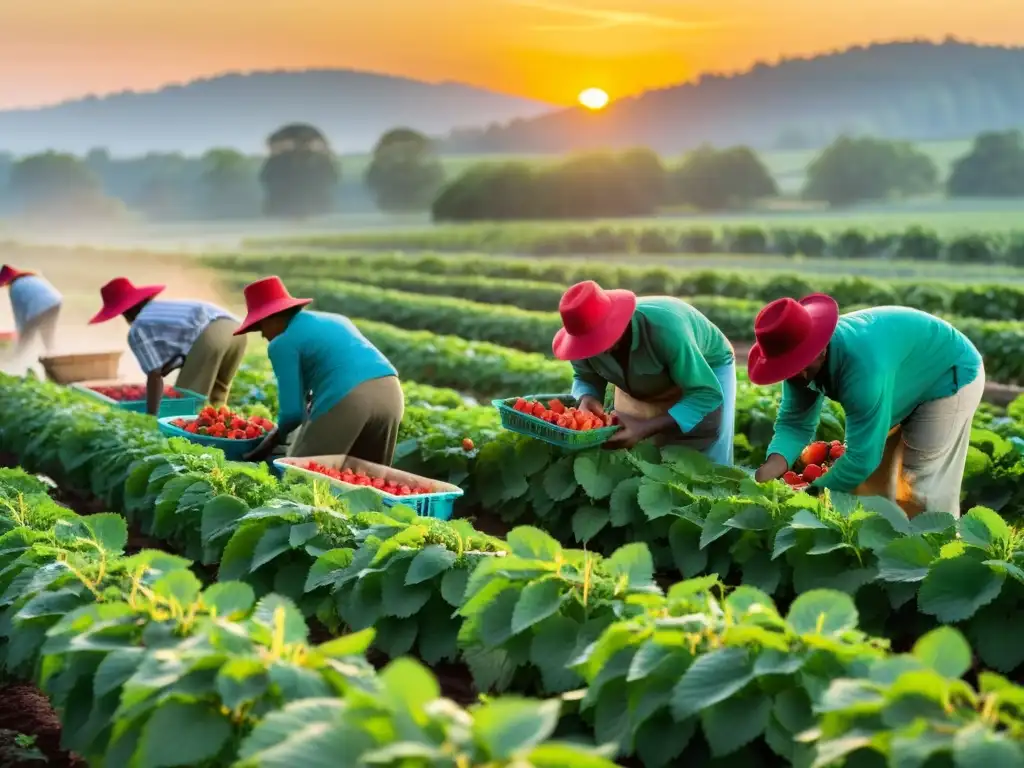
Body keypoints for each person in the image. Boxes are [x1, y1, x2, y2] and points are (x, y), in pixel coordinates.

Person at [748, 294, 984, 517]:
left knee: (920, 487)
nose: (797, 373)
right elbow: (794, 424)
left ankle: (932, 550)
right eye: (787, 365)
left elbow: (862, 459)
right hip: (901, 374)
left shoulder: (862, 369)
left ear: (820, 348)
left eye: (800, 362)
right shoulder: (798, 366)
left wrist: (807, 495)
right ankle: (880, 547)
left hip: (947, 371)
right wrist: (769, 470)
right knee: (875, 487)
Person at [551, 280, 736, 464]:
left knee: (709, 448)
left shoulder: (667, 330)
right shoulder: (582, 343)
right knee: (637, 453)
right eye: (588, 344)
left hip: (706, 365)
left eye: (599, 341)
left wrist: (645, 427)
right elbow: (584, 377)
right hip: (643, 377)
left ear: (615, 323)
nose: (596, 350)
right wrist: (586, 397)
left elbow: (706, 394)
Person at [235, 276, 404, 465]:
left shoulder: (282, 343)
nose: (263, 334)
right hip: (391, 395)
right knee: (366, 480)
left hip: (349, 399)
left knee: (301, 477)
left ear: (272, 317)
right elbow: (313, 389)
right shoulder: (337, 320)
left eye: (261, 326)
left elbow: (292, 413)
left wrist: (272, 442)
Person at [89, 277, 246, 415]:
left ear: (126, 311)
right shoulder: (162, 310)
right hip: (236, 331)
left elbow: (154, 376)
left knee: (187, 402)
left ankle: (187, 443)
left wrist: (151, 414)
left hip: (210, 335)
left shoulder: (138, 327)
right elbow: (181, 354)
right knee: (217, 397)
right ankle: (221, 436)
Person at [0, 264, 62, 361]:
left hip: (39, 307)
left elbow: (19, 313)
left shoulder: (15, 288)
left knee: (25, 339)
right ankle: (54, 357)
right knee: (47, 333)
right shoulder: (31, 278)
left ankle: (16, 361)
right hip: (55, 303)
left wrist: (19, 332)